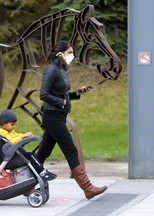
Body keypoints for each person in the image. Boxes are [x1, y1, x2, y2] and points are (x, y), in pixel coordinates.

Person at [36, 40, 108, 199]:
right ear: (60, 54)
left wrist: (77, 93)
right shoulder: (51, 70)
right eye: (69, 52)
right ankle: (88, 188)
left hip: (58, 116)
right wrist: (59, 102)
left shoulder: (62, 69)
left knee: (43, 153)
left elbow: (62, 94)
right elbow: (43, 95)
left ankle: (26, 183)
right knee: (71, 150)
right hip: (53, 116)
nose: (72, 55)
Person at [0, 109, 57, 181]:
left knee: (31, 155)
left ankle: (39, 172)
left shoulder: (10, 131)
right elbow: (12, 141)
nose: (13, 127)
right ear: (4, 124)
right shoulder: (1, 132)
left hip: (15, 155)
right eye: (12, 124)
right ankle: (42, 172)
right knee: (30, 155)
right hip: (10, 158)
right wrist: (23, 136)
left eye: (14, 125)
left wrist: (25, 136)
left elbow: (17, 135)